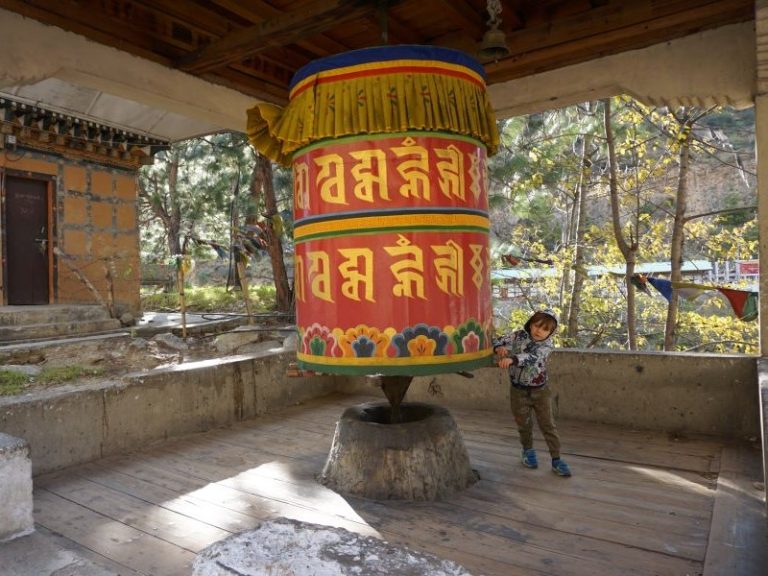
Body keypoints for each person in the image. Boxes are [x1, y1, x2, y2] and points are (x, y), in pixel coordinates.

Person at [493, 308, 571, 477]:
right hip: (518, 390)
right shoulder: (518, 335)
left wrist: (512, 359)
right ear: (530, 324)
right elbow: (497, 339)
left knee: (547, 424)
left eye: (545, 329)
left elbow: (532, 357)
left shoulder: (547, 345)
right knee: (523, 424)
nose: (539, 331)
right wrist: (499, 348)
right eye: (536, 325)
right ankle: (527, 451)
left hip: (540, 391)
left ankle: (556, 459)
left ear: (550, 333)